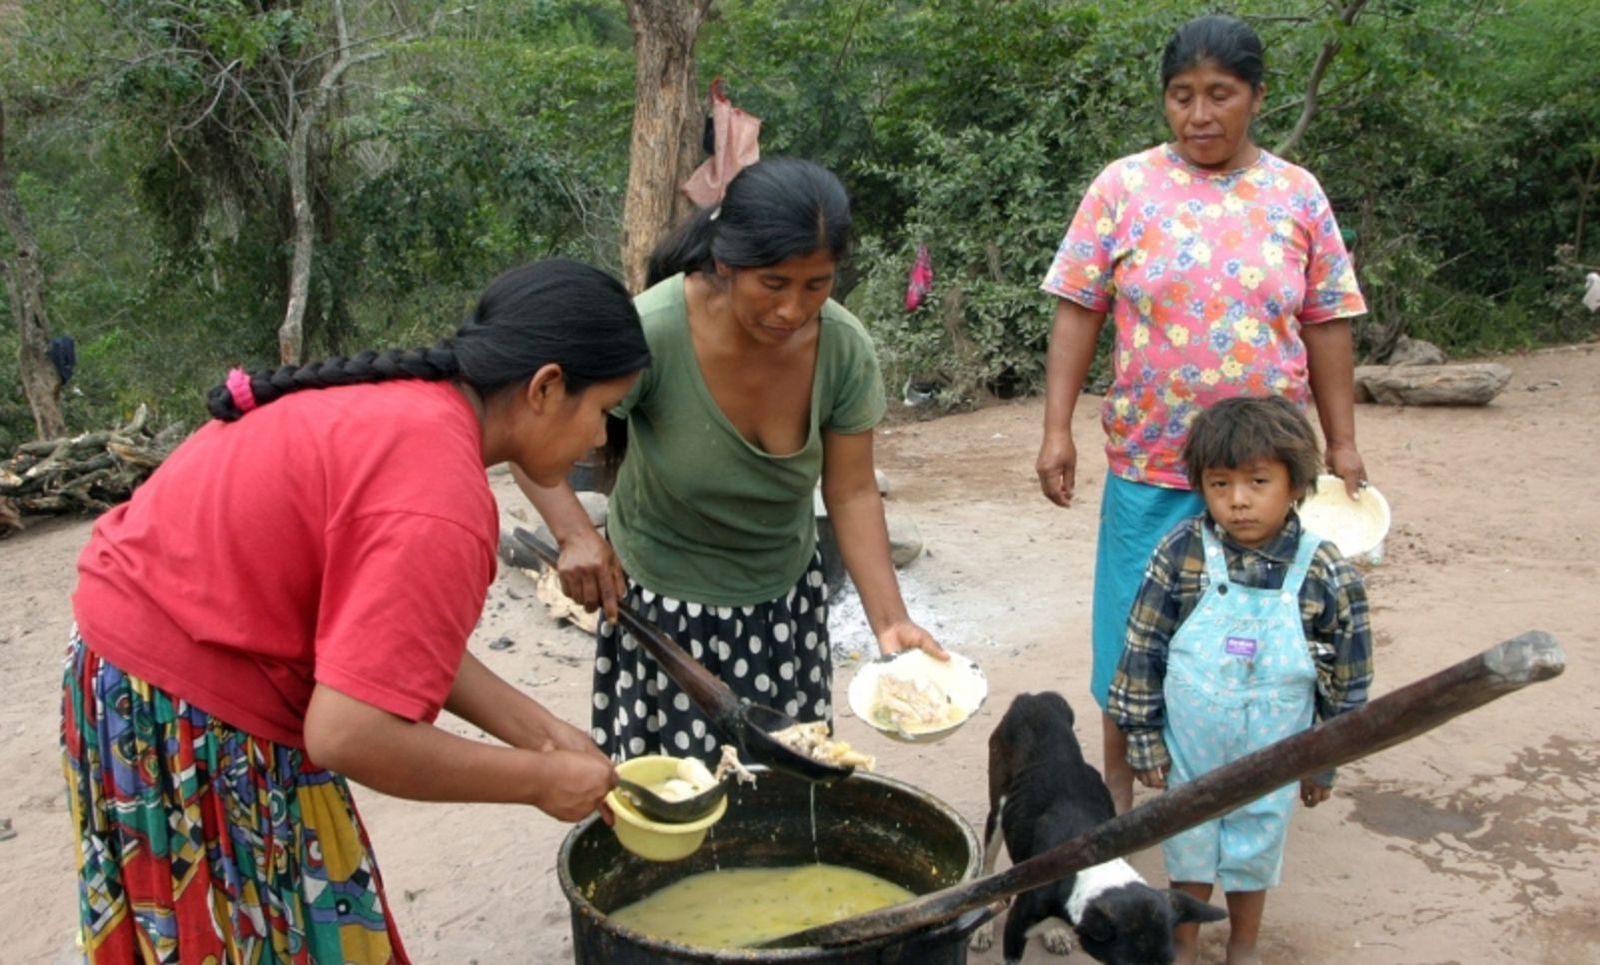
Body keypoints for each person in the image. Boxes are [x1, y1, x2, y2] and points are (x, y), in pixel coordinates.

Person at [62, 259, 649, 963]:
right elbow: (349, 732)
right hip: (182, 702)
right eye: (602, 411)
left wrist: (541, 730)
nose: (598, 439)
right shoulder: (442, 496)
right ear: (546, 387)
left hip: (121, 665)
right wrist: (538, 780)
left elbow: (384, 636)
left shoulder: (421, 403)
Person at [1034, 13, 1369, 813]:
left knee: (1261, 620)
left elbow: (1327, 319)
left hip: (1266, 464)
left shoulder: (1296, 193)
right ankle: (1118, 781)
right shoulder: (1123, 187)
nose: (1200, 114)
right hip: (1151, 458)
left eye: (1220, 94)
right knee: (1132, 622)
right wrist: (1056, 429)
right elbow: (1078, 307)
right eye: (1181, 96)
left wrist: (1344, 442)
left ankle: (1241, 781)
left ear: (1256, 96)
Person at [519, 157, 945, 766]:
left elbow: (850, 493)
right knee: (675, 808)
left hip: (785, 612)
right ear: (725, 261)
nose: (793, 311)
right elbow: (531, 432)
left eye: (816, 285)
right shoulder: (652, 334)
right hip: (664, 616)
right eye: (773, 284)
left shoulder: (843, 349)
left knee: (783, 800)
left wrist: (891, 623)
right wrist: (574, 534)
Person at [1108, 395, 1373, 965]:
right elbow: (1140, 649)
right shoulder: (1180, 553)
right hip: (1189, 743)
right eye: (1220, 484)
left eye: (1258, 482)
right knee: (1189, 840)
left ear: (1297, 485)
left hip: (1275, 749)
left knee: (1256, 844)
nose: (1239, 501)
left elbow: (1348, 680)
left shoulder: (1325, 570)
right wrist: (1144, 738)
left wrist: (1322, 759)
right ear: (1201, 486)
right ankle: (1183, 943)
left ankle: (1245, 945)